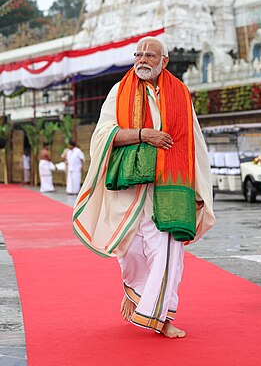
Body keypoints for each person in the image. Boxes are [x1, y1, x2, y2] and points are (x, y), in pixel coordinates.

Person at [73, 36, 215, 338]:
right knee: (129, 251)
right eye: (138, 54)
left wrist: (199, 190)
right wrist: (143, 134)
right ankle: (135, 292)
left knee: (167, 253)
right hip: (129, 187)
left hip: (170, 186)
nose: (142, 60)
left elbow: (194, 144)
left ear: (164, 62)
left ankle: (160, 317)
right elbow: (102, 136)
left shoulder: (180, 93)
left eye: (150, 55)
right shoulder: (119, 91)